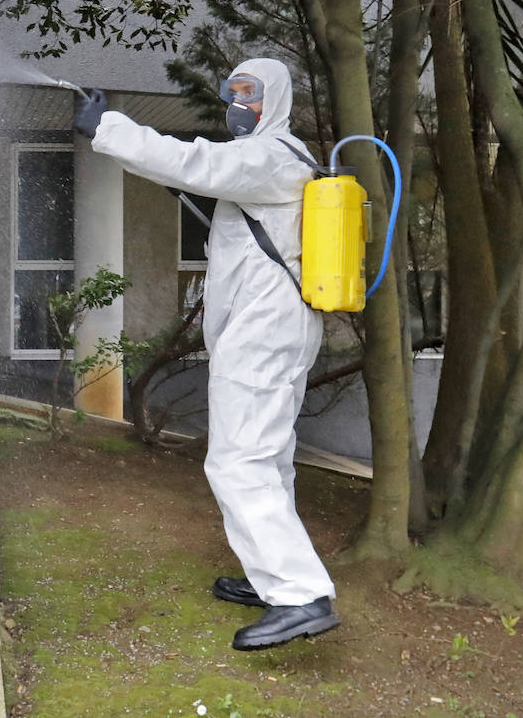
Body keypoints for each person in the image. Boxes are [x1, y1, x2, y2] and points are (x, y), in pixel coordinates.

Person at [72, 58, 339, 650]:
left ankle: (298, 594)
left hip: (264, 334)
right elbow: (205, 180)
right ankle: (269, 576)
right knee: (268, 459)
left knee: (238, 461)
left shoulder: (270, 157)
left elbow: (197, 161)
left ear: (276, 99)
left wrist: (109, 128)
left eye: (249, 92)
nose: (236, 103)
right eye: (231, 92)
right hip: (278, 330)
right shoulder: (278, 160)